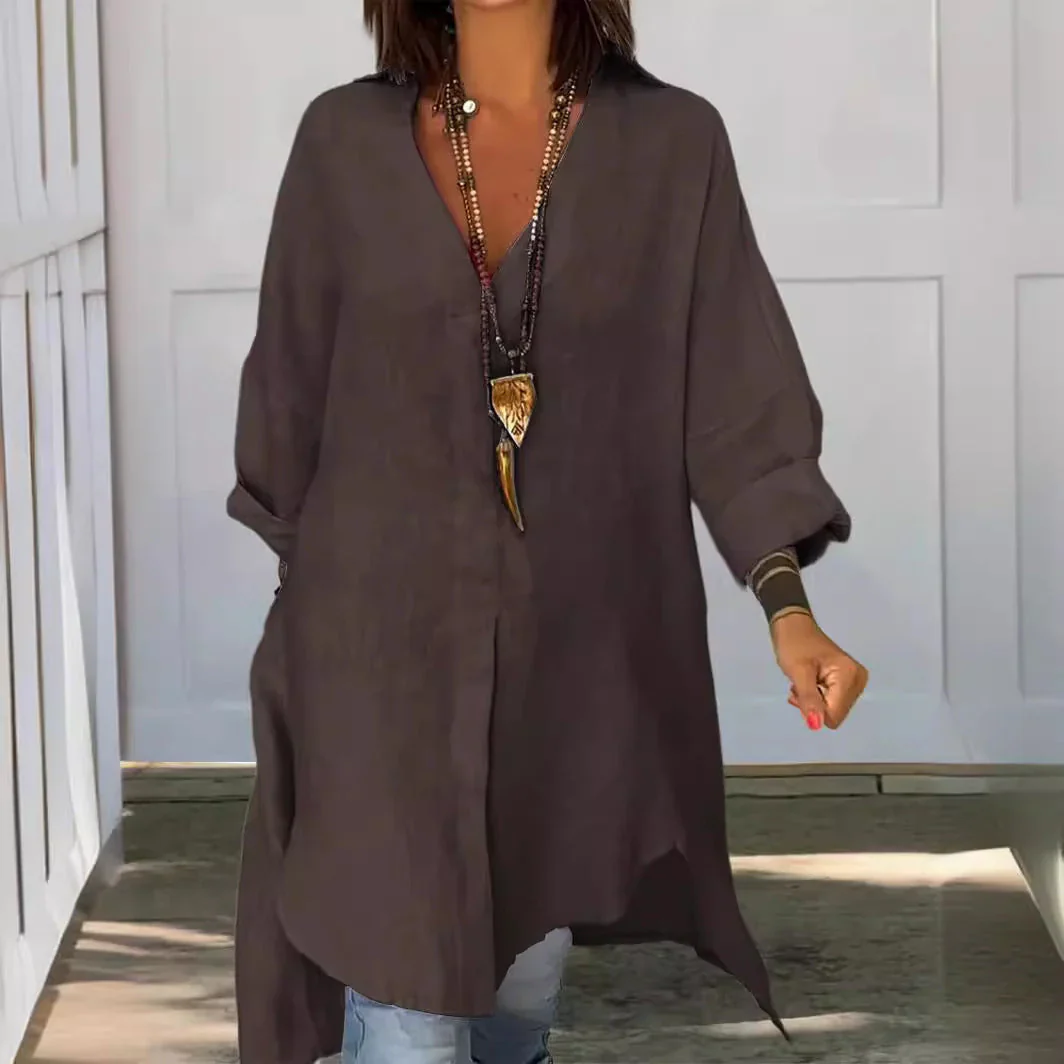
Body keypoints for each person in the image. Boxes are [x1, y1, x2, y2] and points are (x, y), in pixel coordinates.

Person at [226, 1, 869, 1061]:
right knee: (411, 1012)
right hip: (375, 673)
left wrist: (786, 607)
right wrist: (311, 639)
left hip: (573, 681)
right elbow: (284, 408)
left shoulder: (672, 147)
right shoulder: (340, 143)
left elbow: (735, 402)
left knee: (514, 1000)